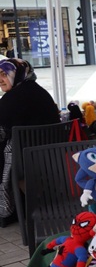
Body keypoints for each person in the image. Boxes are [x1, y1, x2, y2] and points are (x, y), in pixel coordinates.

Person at [0, 58, 60, 226]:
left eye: (4, 74)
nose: (0, 80)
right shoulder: (41, 93)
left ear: (17, 73)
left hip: (22, 162)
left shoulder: (11, 99)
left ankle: (7, 211)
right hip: (50, 158)